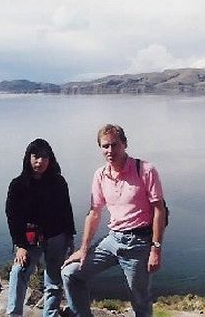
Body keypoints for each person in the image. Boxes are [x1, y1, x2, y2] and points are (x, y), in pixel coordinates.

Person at [61, 124, 166, 317]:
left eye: (114, 145)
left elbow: (159, 210)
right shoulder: (100, 175)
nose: (110, 150)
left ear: (124, 144)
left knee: (140, 300)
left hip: (139, 242)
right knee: (70, 273)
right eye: (105, 146)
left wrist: (156, 249)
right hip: (112, 240)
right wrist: (83, 249)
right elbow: (94, 213)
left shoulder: (145, 170)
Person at [5, 138, 76, 317]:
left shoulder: (58, 182)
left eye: (45, 157)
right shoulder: (18, 185)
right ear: (28, 158)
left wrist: (70, 236)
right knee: (19, 272)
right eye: (36, 156)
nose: (40, 161)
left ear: (50, 159)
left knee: (53, 280)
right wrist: (19, 245)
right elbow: (12, 216)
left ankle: (50, 314)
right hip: (30, 240)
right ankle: (13, 313)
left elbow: (66, 209)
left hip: (57, 237)